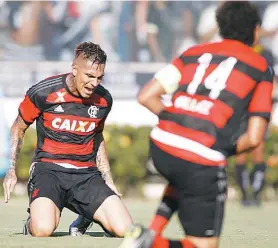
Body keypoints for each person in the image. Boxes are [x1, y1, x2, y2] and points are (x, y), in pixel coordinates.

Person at [119, 2, 273, 248]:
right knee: (204, 246)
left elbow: (146, 96)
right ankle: (148, 243)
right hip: (200, 156)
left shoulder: (192, 53)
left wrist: (177, 121)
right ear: (255, 31)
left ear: (220, 27)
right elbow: (255, 138)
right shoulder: (261, 68)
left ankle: (149, 234)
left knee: (184, 169)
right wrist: (221, 150)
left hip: (161, 145)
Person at [2, 42, 133, 237]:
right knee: (43, 230)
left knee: (126, 230)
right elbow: (18, 127)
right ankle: (33, 221)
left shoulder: (104, 100)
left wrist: (107, 178)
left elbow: (97, 136)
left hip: (86, 175)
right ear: (74, 69)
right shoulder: (43, 92)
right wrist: (12, 170)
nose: (94, 84)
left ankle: (85, 216)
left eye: (99, 78)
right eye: (89, 76)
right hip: (49, 171)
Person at [234, 42, 275, 207]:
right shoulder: (239, 52)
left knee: (259, 151)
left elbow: (271, 83)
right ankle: (245, 196)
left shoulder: (266, 54)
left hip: (258, 108)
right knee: (241, 154)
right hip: (241, 110)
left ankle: (255, 195)